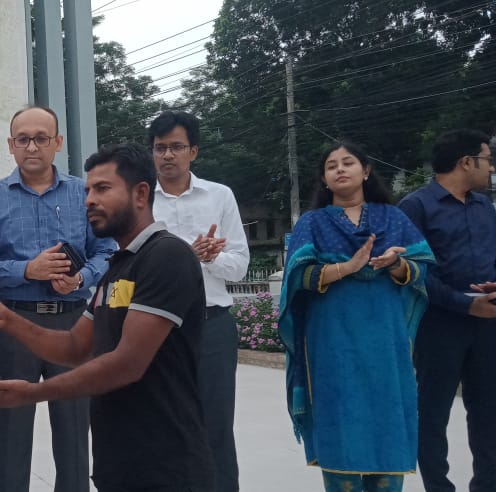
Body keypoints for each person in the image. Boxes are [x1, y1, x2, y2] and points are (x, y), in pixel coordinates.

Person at [0, 143, 214, 492]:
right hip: (119, 464)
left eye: (102, 189)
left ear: (140, 194)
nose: (89, 200)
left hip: (167, 465)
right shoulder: (118, 268)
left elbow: (126, 364)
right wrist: (7, 320)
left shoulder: (166, 256)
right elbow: (75, 346)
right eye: (88, 190)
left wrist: (33, 393)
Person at [279, 142, 435, 492]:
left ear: (366, 171)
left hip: (385, 340)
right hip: (331, 339)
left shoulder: (394, 218)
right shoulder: (312, 223)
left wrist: (395, 264)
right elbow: (296, 279)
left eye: (348, 162)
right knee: (340, 416)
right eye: (331, 165)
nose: (340, 169)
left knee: (387, 416)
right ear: (324, 179)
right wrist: (347, 268)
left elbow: (421, 272)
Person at [0, 105, 115, 492]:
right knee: (10, 430)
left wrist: (81, 277)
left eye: (41, 138)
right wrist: (28, 270)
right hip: (14, 324)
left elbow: (107, 251)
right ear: (10, 145)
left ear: (58, 142)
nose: (32, 147)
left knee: (74, 431)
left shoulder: (84, 194)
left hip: (73, 322)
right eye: (23, 139)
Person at [147, 111, 248, 492]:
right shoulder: (140, 198)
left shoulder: (219, 196)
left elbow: (239, 266)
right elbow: (129, 265)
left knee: (215, 426)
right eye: (160, 148)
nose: (167, 155)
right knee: (159, 424)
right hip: (156, 326)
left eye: (176, 147)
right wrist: (186, 257)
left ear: (194, 151)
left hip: (211, 326)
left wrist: (210, 259)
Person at [398, 129, 496, 492]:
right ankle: (439, 486)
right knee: (433, 412)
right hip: (438, 325)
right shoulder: (416, 207)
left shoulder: (485, 207)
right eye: (487, 160)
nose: (491, 168)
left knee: (488, 410)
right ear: (466, 162)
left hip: (488, 322)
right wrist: (465, 303)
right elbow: (415, 273)